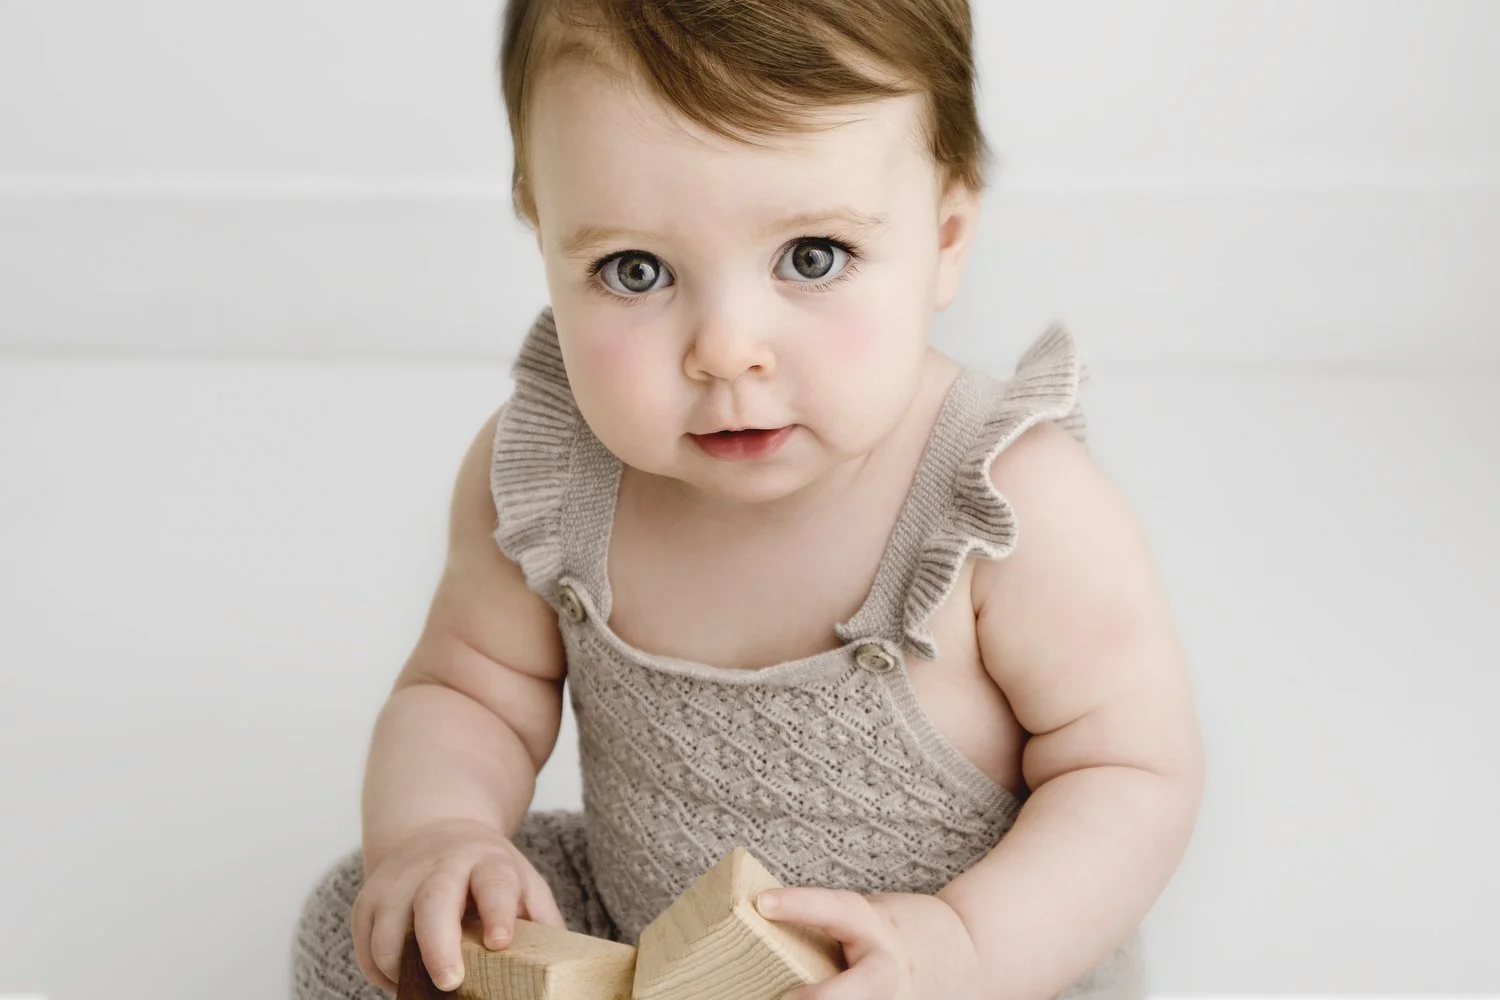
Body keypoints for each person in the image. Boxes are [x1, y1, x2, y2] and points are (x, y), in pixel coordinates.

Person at [293, 1, 1205, 997]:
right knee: (367, 936)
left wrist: (961, 947)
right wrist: (442, 835)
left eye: (811, 256)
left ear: (946, 235)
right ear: (541, 226)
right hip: (652, 943)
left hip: (944, 964)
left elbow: (1128, 775)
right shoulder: (551, 477)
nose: (726, 348)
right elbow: (467, 694)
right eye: (634, 270)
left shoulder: (1007, 507)